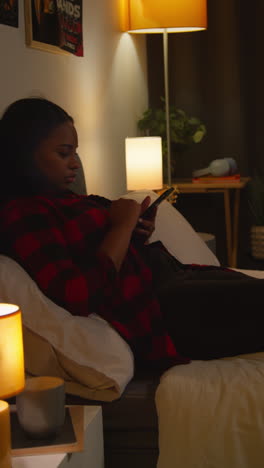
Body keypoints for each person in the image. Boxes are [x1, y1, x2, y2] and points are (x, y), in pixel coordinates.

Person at [0, 97, 263, 373]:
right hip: (162, 307)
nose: (75, 164)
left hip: (172, 275)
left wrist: (134, 233)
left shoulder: (63, 199)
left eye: (75, 153)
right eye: (64, 153)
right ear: (24, 154)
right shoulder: (25, 214)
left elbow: (102, 250)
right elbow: (77, 293)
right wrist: (121, 227)